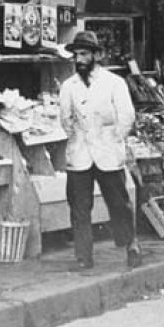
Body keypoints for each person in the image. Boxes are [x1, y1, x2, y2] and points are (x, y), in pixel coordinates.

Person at [58, 30, 142, 269]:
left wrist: (114, 138)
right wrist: (76, 136)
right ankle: (84, 255)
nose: (79, 60)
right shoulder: (69, 86)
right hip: (80, 152)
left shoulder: (114, 83)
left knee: (119, 203)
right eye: (76, 55)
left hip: (107, 151)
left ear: (96, 55)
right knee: (79, 207)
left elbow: (127, 117)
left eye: (84, 54)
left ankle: (131, 245)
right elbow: (65, 119)